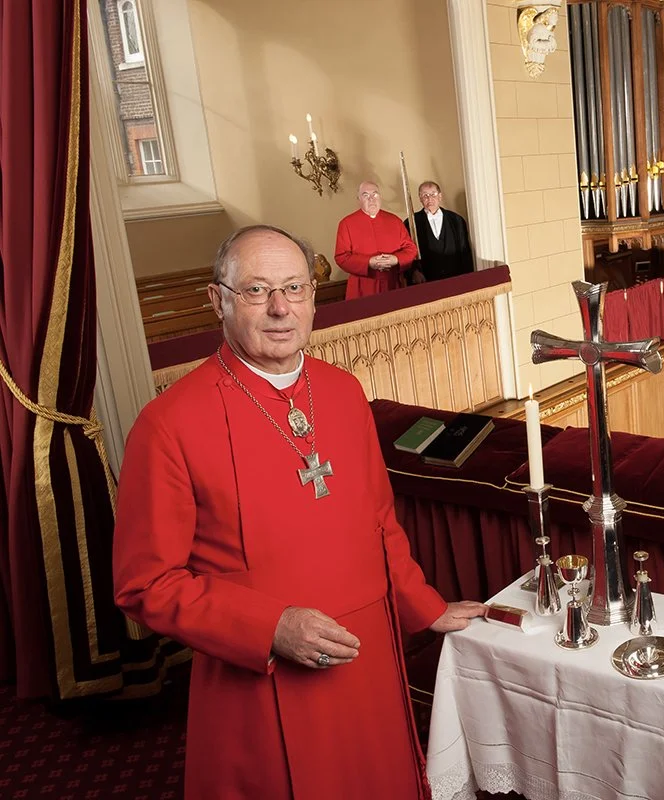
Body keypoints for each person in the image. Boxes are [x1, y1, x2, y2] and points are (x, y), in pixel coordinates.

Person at [112, 225, 486, 799]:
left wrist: (423, 605)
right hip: (261, 682)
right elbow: (146, 585)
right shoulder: (168, 424)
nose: (281, 308)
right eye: (257, 291)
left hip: (367, 665)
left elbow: (380, 520)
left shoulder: (341, 391)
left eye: (295, 287)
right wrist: (268, 629)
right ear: (218, 300)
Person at [335, 181, 419, 299]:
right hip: (362, 287)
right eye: (365, 195)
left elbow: (411, 249)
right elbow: (341, 257)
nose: (371, 199)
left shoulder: (395, 221)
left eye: (375, 194)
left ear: (380, 197)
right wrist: (369, 262)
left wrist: (396, 259)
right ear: (359, 199)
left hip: (392, 284)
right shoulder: (346, 224)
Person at [407, 181, 475, 282]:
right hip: (427, 280)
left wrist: (468, 278)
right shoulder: (410, 223)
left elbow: (465, 251)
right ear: (420, 198)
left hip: (456, 278)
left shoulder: (456, 220)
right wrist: (414, 272)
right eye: (425, 195)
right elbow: (408, 253)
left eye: (433, 194)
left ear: (440, 196)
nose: (429, 198)